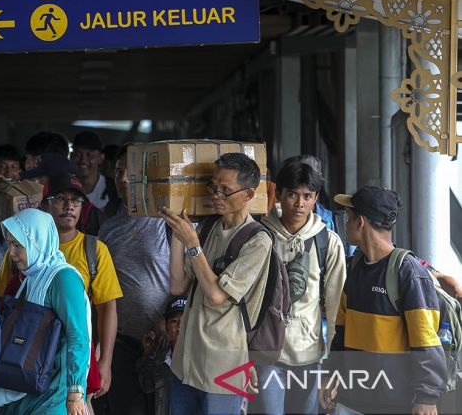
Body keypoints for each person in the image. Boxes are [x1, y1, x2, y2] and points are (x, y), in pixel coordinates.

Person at [159, 153, 271, 415]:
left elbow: (217, 295)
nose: (216, 195)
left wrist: (193, 246)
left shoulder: (257, 240)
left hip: (222, 366)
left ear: (248, 195)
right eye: (213, 187)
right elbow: (178, 286)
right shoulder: (209, 228)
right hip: (186, 358)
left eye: (226, 190)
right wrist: (179, 233)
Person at [0, 175, 122, 399]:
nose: (69, 206)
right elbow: (1, 303)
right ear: (45, 205)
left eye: (76, 201)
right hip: (24, 363)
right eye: (61, 198)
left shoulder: (91, 252)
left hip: (66, 367)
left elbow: (103, 311)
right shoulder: (20, 254)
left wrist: (105, 361)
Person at [321, 186, 446, 415]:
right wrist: (332, 375)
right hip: (353, 399)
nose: (345, 224)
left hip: (394, 403)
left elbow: (426, 341)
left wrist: (426, 397)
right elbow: (342, 331)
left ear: (360, 222)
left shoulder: (407, 272)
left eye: (348, 218)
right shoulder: (355, 267)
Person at [254, 161, 346, 415]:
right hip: (266, 354)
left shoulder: (328, 241)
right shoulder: (260, 236)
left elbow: (336, 304)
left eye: (307, 196)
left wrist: (332, 363)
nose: (299, 203)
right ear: (280, 194)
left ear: (316, 198)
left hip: (309, 354)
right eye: (293, 194)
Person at [0, 208, 90, 415]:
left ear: (37, 241)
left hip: (55, 393)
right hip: (27, 388)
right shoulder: (30, 278)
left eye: (18, 245)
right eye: (10, 244)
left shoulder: (63, 278)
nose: (12, 253)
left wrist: (75, 392)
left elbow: (78, 336)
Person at [97, 145, 171, 415]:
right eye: (118, 172)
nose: (124, 179)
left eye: (133, 173)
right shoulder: (108, 228)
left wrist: (171, 318)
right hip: (122, 344)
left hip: (167, 344)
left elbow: (190, 279)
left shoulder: (170, 223)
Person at [136, 296, 186, 415]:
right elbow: (146, 385)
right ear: (166, 327)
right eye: (174, 321)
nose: (179, 327)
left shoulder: (201, 360)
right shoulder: (159, 359)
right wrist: (148, 352)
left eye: (185, 320)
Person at [71, 131, 118, 213]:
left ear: (101, 158)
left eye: (89, 155)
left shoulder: (113, 189)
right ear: (71, 156)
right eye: (78, 154)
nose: (83, 160)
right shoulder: (64, 186)